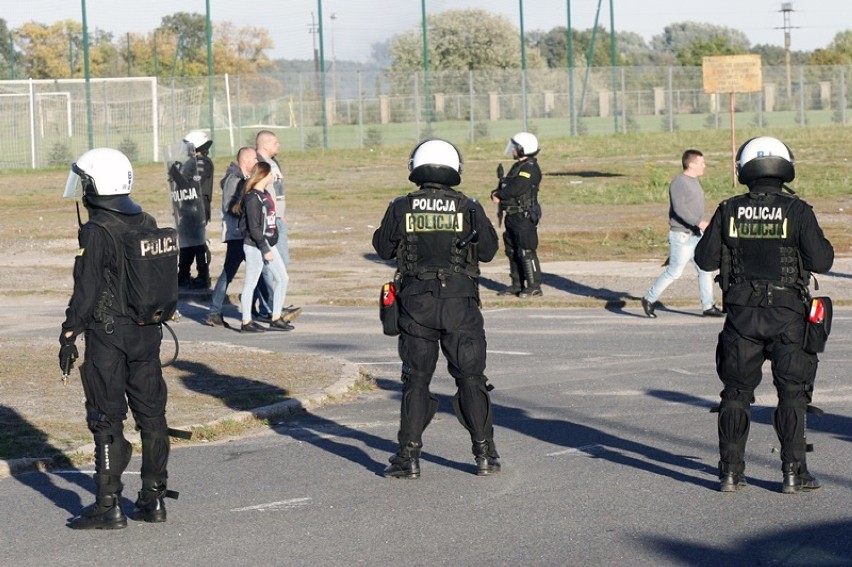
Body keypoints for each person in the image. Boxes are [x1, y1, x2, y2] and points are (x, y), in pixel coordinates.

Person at [695, 136, 834, 494]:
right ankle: (793, 471)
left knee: (736, 393)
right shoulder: (797, 210)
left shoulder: (729, 209)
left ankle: (730, 472)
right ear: (785, 165)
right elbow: (822, 261)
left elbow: (704, 259)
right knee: (792, 393)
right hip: (788, 315)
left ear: (744, 168)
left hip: (742, 316)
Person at [60, 148, 183, 529]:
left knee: (106, 417)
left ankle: (108, 505)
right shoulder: (145, 219)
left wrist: (68, 334)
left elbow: (86, 290)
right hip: (148, 333)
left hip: (108, 336)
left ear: (98, 185)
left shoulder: (96, 231)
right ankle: (154, 498)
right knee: (153, 415)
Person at [372, 138, 501, 478]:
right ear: (454, 168)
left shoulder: (401, 206)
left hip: (416, 303)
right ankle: (485, 453)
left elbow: (383, 246)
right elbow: (488, 251)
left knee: (416, 380)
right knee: (471, 378)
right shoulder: (470, 207)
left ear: (416, 166)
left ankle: (408, 457)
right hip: (461, 302)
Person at [641, 149, 723, 318]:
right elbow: (679, 209)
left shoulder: (694, 181)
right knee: (674, 272)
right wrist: (699, 223)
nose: (704, 165)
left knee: (704, 269)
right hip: (682, 236)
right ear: (691, 164)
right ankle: (649, 298)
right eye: (701, 162)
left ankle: (708, 306)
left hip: (695, 235)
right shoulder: (679, 182)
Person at [233, 161, 293, 333]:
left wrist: (272, 238)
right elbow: (254, 227)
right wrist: (264, 248)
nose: (273, 176)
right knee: (250, 283)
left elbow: (269, 221)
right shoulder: (253, 197)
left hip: (267, 243)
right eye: (270, 173)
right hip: (255, 246)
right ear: (263, 175)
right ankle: (246, 322)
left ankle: (276, 317)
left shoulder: (265, 193)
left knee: (283, 278)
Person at [206, 146, 256, 327]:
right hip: (237, 233)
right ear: (247, 160)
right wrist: (249, 211)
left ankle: (259, 307)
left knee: (257, 270)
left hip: (240, 232)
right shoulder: (234, 180)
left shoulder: (239, 178)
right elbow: (231, 206)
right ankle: (214, 311)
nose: (257, 163)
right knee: (230, 272)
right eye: (255, 160)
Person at [255, 130, 300, 322]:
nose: (279, 145)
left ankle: (274, 303)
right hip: (268, 222)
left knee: (283, 263)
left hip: (278, 220)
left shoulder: (274, 163)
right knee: (268, 266)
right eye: (275, 142)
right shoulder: (258, 164)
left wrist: (281, 215)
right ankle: (270, 307)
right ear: (264, 145)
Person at [491, 132, 543, 298]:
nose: (512, 150)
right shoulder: (518, 166)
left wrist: (500, 195)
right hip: (512, 215)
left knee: (526, 250)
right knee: (512, 251)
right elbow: (509, 184)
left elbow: (518, 187)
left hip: (523, 216)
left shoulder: (530, 168)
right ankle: (516, 284)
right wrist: (497, 192)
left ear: (523, 149)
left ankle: (534, 286)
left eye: (515, 147)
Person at [173, 130, 214, 289]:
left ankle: (203, 276)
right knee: (187, 242)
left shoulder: (203, 162)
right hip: (187, 208)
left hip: (198, 209)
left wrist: (178, 175)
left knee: (197, 243)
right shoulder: (190, 163)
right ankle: (183, 274)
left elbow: (194, 182)